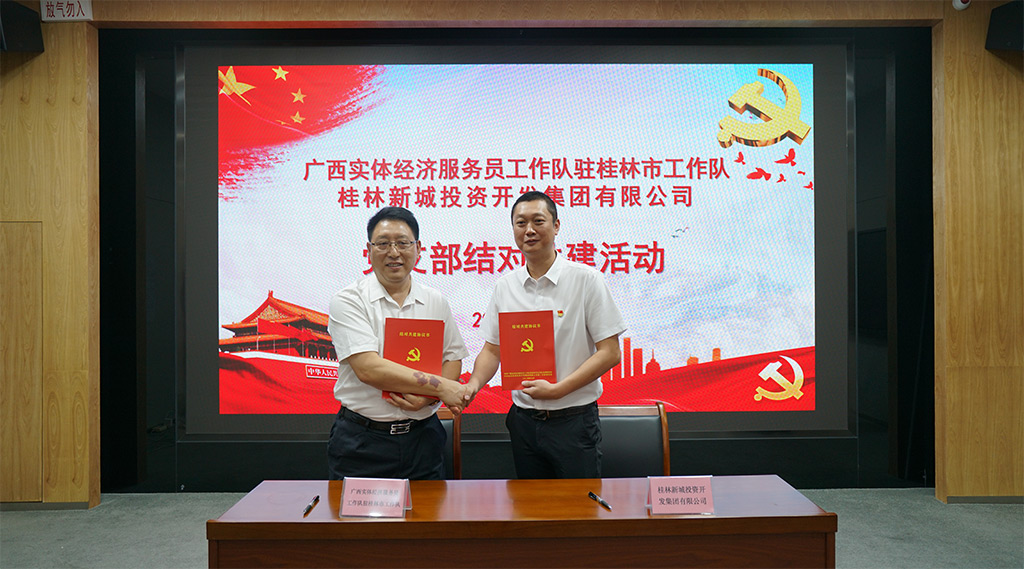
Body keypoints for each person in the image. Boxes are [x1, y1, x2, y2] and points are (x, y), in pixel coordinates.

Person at [465, 191, 626, 478]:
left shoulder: (586, 279)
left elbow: (610, 352)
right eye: (520, 223)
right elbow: (492, 350)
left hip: (574, 421)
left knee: (579, 503)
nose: (529, 230)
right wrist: (473, 385)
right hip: (523, 422)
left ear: (556, 226)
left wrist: (559, 389)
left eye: (538, 221)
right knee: (530, 503)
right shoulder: (505, 286)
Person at [327, 206, 469, 480]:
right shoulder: (349, 300)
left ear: (418, 248)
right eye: (383, 244)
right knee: (359, 511)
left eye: (403, 243)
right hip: (363, 441)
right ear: (369, 250)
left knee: (428, 509)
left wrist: (426, 398)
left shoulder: (435, 300)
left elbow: (452, 358)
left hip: (423, 438)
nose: (393, 252)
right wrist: (440, 388)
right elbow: (369, 369)